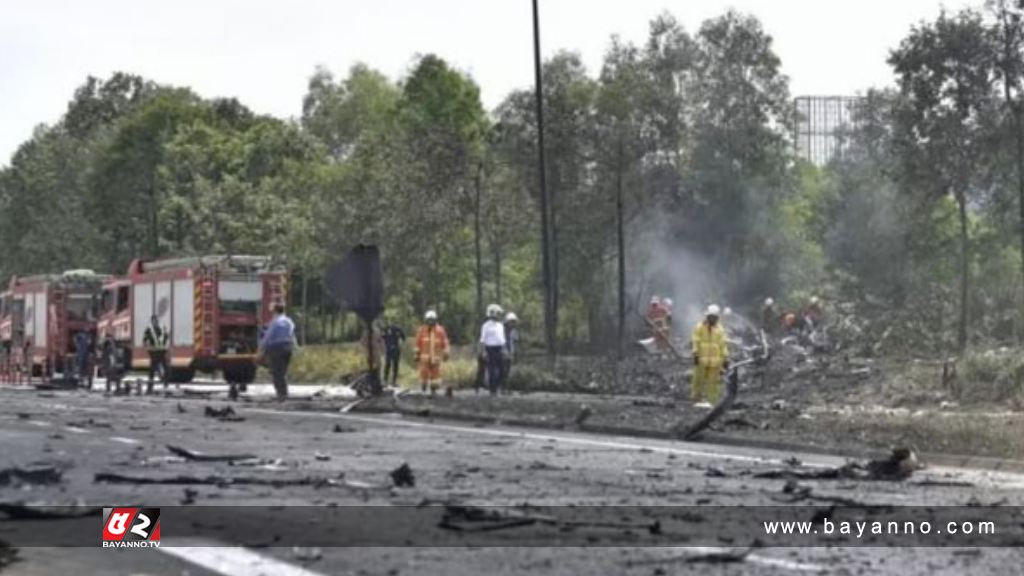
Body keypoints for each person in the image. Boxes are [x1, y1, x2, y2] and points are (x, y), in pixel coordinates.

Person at [690, 304, 729, 408]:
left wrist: (725, 358)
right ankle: (696, 399)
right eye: (711, 316)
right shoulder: (699, 327)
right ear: (707, 316)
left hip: (715, 361)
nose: (712, 319)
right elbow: (695, 341)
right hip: (701, 360)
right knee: (698, 380)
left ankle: (712, 402)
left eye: (714, 317)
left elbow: (723, 344)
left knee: (713, 383)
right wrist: (695, 354)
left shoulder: (720, 329)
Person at [259, 303, 296, 400]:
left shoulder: (275, 322)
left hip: (277, 348)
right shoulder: (289, 321)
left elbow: (268, 336)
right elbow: (292, 335)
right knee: (283, 371)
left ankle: (281, 394)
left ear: (275, 311)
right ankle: (283, 392)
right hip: (288, 347)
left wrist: (261, 348)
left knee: (276, 372)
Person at [415, 310, 450, 397]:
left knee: (435, 376)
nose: (430, 322)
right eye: (428, 320)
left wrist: (446, 352)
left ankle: (433, 390)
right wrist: (416, 354)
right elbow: (417, 343)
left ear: (435, 320)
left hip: (436, 358)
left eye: (432, 320)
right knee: (424, 373)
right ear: (426, 320)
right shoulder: (422, 330)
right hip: (425, 358)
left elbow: (445, 342)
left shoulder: (440, 331)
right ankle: (423, 387)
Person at [479, 304, 507, 396]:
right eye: (498, 313)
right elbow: (482, 339)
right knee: (491, 370)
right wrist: (483, 351)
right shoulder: (486, 325)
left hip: (499, 348)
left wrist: (504, 349)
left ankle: (498, 386)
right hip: (490, 348)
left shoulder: (500, 325)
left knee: (503, 369)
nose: (499, 315)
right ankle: (492, 390)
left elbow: (502, 339)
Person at [142, 315, 169, 394]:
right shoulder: (149, 330)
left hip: (162, 352)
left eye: (156, 320)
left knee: (166, 370)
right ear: (152, 321)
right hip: (154, 353)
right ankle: (149, 388)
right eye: (154, 321)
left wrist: (166, 349)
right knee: (152, 371)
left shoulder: (162, 328)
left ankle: (165, 386)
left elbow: (166, 337)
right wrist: (149, 350)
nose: (155, 322)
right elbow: (144, 341)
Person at [381, 320, 406, 388]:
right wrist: (384, 347)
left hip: (396, 350)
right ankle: (385, 381)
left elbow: (403, 338)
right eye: (389, 321)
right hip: (388, 350)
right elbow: (382, 338)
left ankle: (394, 381)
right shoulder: (385, 329)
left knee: (395, 366)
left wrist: (401, 344)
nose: (391, 322)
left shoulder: (398, 329)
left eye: (392, 320)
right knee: (387, 365)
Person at [502, 311, 520, 384]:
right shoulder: (502, 330)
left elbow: (515, 342)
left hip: (510, 352)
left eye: (514, 321)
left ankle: (504, 386)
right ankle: (500, 386)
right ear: (507, 321)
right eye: (511, 321)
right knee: (503, 369)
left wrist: (515, 353)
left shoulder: (514, 331)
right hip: (503, 352)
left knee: (508, 370)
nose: (512, 323)